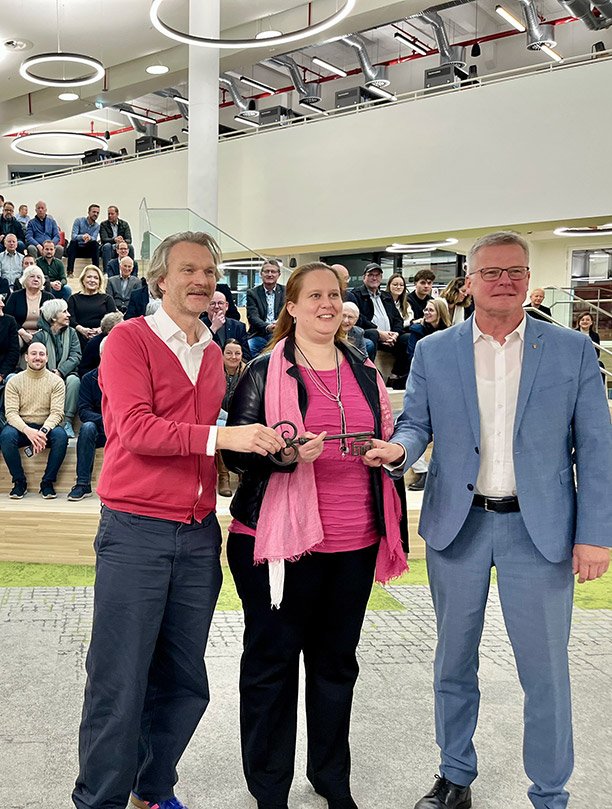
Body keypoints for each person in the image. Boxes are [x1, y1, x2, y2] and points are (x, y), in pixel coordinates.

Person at [364, 231, 612, 809]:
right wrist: (401, 450)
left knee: (545, 671)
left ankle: (550, 791)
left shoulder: (572, 349)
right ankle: (454, 775)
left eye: (516, 271)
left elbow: (597, 448)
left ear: (529, 279)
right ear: (469, 282)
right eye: (492, 272)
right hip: (460, 527)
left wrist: (596, 535)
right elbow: (416, 423)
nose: (505, 281)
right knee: (453, 661)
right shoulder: (435, 351)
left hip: (540, 532)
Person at [72, 231, 285, 809]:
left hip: (197, 534)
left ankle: (151, 788)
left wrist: (274, 446)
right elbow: (136, 429)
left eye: (210, 272)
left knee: (185, 682)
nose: (201, 280)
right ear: (160, 279)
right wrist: (224, 436)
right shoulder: (127, 340)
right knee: (119, 680)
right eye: (189, 270)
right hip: (135, 530)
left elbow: (210, 440)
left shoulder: (212, 352)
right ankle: (100, 800)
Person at [223, 261, 407, 809]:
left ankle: (331, 777)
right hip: (277, 542)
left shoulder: (364, 368)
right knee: (272, 666)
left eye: (334, 294)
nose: (327, 304)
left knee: (335, 666)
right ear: (292, 306)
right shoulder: (263, 369)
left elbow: (389, 434)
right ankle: (269, 788)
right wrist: (282, 456)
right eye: (315, 296)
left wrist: (387, 452)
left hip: (355, 541)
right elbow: (235, 454)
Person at [0, 340, 68, 499]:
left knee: (61, 436)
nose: (38, 357)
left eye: (41, 354)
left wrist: (42, 432)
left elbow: (57, 413)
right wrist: (28, 431)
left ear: (47, 358)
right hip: (22, 428)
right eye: (34, 354)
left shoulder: (57, 382)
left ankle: (47, 483)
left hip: (46, 427)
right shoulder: (14, 381)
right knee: (6, 436)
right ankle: (19, 482)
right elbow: (11, 414)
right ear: (26, 357)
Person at [404, 299, 452, 492]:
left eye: (431, 310)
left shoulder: (451, 333)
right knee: (415, 428)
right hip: (423, 383)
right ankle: (422, 471)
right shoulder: (417, 331)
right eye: (425, 309)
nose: (426, 312)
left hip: (447, 386)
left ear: (440, 312)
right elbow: (412, 357)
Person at [352, 263, 410, 383]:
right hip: (370, 334)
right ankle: (369, 376)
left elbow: (398, 319)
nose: (374, 278)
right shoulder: (356, 295)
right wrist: (379, 332)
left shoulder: (386, 296)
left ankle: (396, 375)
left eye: (377, 275)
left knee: (408, 338)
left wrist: (395, 334)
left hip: (390, 337)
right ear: (364, 277)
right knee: (372, 334)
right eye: (371, 275)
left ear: (381, 278)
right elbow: (359, 319)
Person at [32, 298, 82, 439]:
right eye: (64, 312)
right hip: (44, 375)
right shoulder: (39, 336)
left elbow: (76, 355)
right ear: (54, 317)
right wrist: (49, 374)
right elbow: (37, 359)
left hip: (66, 374)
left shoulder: (72, 333)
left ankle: (67, 421)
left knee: (74, 381)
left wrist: (60, 371)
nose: (68, 315)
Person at [68, 340, 107, 501]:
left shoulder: (128, 378)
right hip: (101, 428)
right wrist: (107, 419)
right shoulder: (88, 379)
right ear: (101, 355)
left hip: (122, 428)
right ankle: (83, 484)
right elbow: (84, 412)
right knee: (87, 427)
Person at [216, 338, 247, 497]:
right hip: (218, 416)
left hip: (240, 417)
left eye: (237, 353)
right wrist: (228, 418)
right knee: (221, 429)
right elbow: (210, 401)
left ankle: (243, 475)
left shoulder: (248, 373)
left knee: (246, 429)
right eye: (228, 353)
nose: (233, 357)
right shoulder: (213, 371)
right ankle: (224, 477)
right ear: (222, 355)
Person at [67, 265, 117, 350]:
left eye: (96, 278)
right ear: (83, 280)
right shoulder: (73, 298)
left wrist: (100, 330)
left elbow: (112, 319)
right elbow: (70, 319)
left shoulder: (107, 299)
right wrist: (82, 329)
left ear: (99, 282)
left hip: (102, 336)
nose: (92, 280)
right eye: (89, 277)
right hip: (78, 335)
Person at [4, 266, 53, 347]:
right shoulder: (15, 296)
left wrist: (39, 334)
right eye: (32, 276)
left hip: (44, 334)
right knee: (15, 342)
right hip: (19, 333)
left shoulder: (49, 297)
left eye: (39, 277)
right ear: (25, 279)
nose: (36, 279)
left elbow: (55, 318)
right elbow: (8, 317)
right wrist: (23, 333)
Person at [246, 259, 285, 357]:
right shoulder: (252, 293)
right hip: (259, 334)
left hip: (280, 333)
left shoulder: (286, 291)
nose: (270, 274)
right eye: (267, 271)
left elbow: (288, 312)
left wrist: (278, 324)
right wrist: (267, 327)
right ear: (261, 274)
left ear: (279, 274)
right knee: (249, 347)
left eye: (273, 271)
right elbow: (253, 317)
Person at [201, 290, 251, 360]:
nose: (217, 306)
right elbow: (199, 351)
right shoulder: (198, 325)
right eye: (212, 303)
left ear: (226, 306)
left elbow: (246, 356)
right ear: (206, 306)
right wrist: (213, 328)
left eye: (220, 303)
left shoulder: (238, 327)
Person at [78, 311, 124, 377]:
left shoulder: (125, 341)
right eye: (121, 327)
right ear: (109, 330)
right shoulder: (94, 344)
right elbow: (83, 369)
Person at [67, 204, 101, 276]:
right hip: (76, 249)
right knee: (73, 242)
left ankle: (96, 272)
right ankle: (70, 272)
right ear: (88, 212)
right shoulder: (78, 221)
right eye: (94, 212)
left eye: (97, 213)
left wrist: (89, 238)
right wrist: (83, 237)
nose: (95, 214)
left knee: (95, 244)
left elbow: (94, 238)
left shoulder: (97, 226)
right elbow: (73, 236)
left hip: (87, 249)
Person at [99, 205, 134, 271]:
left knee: (130, 247)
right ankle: (107, 272)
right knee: (107, 246)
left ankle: (131, 271)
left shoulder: (124, 224)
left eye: (112, 214)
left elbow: (129, 240)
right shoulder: (103, 224)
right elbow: (104, 239)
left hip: (120, 246)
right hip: (110, 247)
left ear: (117, 214)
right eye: (108, 214)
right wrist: (114, 240)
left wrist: (122, 241)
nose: (110, 216)